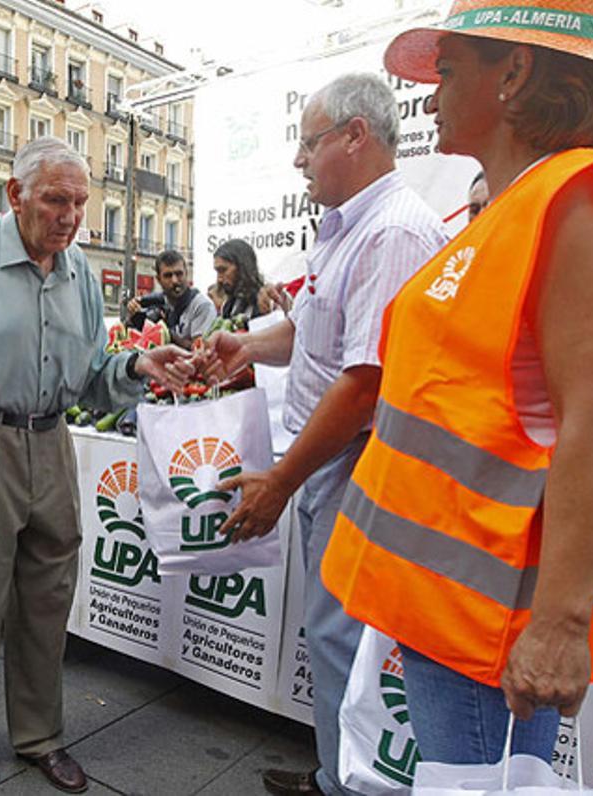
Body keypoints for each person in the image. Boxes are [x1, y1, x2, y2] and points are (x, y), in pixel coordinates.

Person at [321, 0, 593, 770]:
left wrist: (560, 627)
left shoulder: (576, 206)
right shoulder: (520, 204)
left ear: (514, 73)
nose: (429, 92)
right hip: (454, 609)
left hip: (491, 628)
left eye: (446, 70)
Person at [0, 136, 191, 792]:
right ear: (15, 195)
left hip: (52, 444)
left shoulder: (81, 273)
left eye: (80, 203)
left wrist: (136, 366)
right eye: (56, 200)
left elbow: (90, 377)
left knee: (46, 600)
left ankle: (39, 735)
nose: (70, 216)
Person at [201, 73, 448, 796]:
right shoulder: (354, 229)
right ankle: (334, 772)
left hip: (359, 462)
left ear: (355, 136)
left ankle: (348, 785)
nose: (300, 162)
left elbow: (365, 381)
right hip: (335, 464)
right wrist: (246, 346)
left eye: (309, 144)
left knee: (344, 637)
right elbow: (319, 339)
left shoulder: (393, 231)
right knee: (334, 637)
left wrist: (281, 480)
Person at [125, 249, 217, 347]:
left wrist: (165, 331)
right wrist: (133, 318)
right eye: (168, 276)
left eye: (179, 274)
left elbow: (200, 350)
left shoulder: (202, 306)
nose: (175, 281)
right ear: (158, 279)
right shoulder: (160, 302)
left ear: (186, 274)